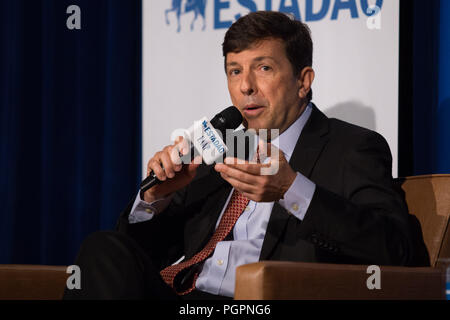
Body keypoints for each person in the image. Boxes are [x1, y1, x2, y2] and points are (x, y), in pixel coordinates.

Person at [64, 11, 428, 300]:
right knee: (104, 249)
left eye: (263, 67)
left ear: (303, 81)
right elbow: (140, 258)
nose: (245, 86)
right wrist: (156, 199)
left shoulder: (351, 147)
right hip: (189, 298)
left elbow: (396, 251)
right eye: (234, 71)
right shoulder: (220, 152)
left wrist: (291, 188)